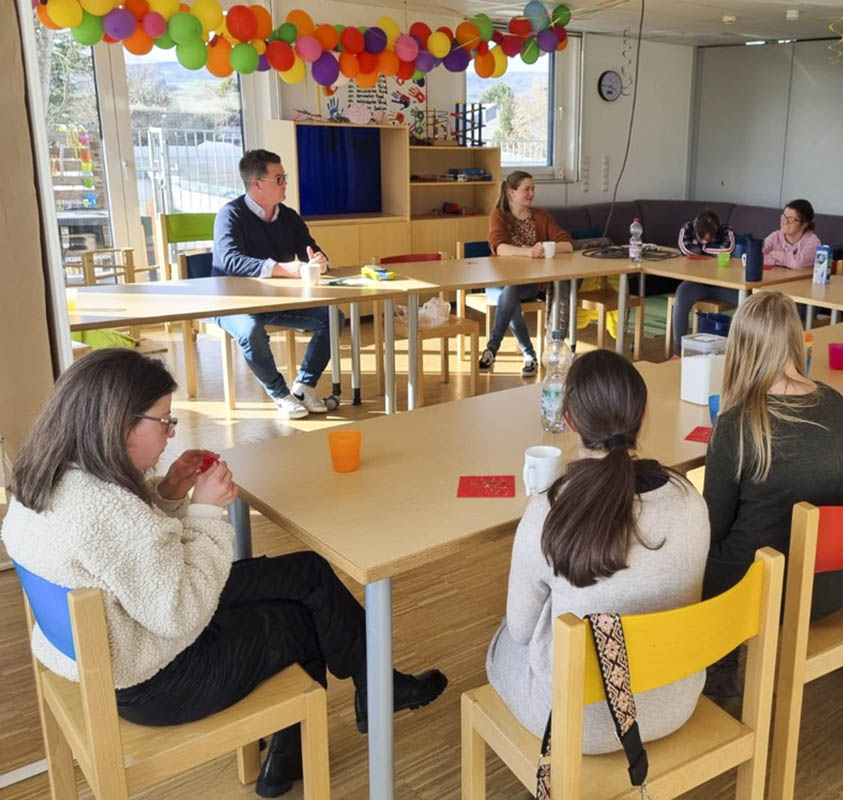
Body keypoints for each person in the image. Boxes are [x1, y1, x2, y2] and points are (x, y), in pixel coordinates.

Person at [1, 349, 447, 798]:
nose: (170, 433)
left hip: (122, 639)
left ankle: (374, 690)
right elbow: (183, 610)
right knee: (305, 620)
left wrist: (171, 493)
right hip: (159, 680)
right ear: (119, 423)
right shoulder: (105, 510)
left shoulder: (49, 477)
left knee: (307, 572)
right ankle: (299, 749)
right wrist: (206, 512)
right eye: (164, 421)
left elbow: (126, 557)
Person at [486, 350, 709, 753]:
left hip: (577, 723)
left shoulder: (548, 510)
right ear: (642, 417)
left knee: (502, 639)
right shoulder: (691, 500)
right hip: (676, 701)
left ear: (568, 421)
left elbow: (520, 630)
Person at [702, 292, 843, 696]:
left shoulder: (737, 423)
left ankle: (719, 668)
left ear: (740, 347)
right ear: (796, 341)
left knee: (690, 553)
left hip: (774, 591)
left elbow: (713, 525)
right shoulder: (836, 401)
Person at [212, 149, 343, 419]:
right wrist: (282, 268)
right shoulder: (230, 215)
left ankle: (304, 386)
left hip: (277, 301)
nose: (286, 184)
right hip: (234, 303)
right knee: (250, 332)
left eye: (284, 177)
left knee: (333, 316)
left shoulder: (289, 216)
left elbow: (312, 250)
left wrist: (320, 260)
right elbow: (228, 261)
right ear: (257, 184)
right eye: (279, 178)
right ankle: (280, 393)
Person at [483, 170, 573, 376]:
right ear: (511, 192)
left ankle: (492, 348)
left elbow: (567, 244)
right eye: (527, 189)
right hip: (498, 281)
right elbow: (498, 247)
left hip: (529, 284)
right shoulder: (498, 215)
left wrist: (545, 247)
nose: (532, 193)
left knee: (511, 292)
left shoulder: (541, 216)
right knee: (509, 295)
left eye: (533, 189)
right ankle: (529, 355)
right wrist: (527, 252)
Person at [671, 210, 738, 355]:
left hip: (723, 284)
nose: (704, 242)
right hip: (696, 283)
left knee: (748, 302)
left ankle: (737, 352)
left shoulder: (727, 230)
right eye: (701, 239)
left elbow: (727, 249)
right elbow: (684, 248)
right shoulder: (687, 227)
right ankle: (678, 351)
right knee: (681, 295)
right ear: (696, 229)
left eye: (708, 240)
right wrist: (711, 250)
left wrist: (700, 248)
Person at [763, 199, 822, 272]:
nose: (784, 221)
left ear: (804, 224)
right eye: (783, 217)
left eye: (790, 219)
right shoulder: (775, 236)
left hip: (801, 282)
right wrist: (789, 261)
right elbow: (757, 256)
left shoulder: (813, 242)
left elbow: (799, 263)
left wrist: (775, 255)